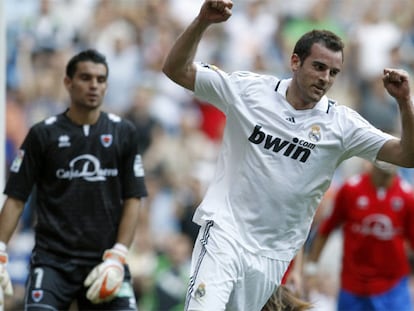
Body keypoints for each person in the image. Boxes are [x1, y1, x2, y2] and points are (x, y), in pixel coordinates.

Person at [161, 0, 414, 310]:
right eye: (318, 67)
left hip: (273, 254)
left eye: (333, 72)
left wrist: (404, 102)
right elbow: (175, 69)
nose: (325, 78)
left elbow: (406, 155)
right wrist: (202, 21)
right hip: (224, 232)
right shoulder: (248, 90)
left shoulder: (342, 125)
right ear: (295, 62)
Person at [0, 49, 147, 310]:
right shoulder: (42, 135)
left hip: (106, 262)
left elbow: (133, 198)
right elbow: (16, 197)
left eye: (101, 80)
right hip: (53, 262)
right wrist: (0, 248)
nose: (94, 85)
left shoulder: (124, 133)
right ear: (68, 82)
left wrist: (119, 254)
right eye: (86, 78)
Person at [305, 160, 414, 311]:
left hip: (392, 286)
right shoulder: (350, 190)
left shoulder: (408, 196)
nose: (389, 162)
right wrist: (311, 268)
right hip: (353, 284)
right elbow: (326, 230)